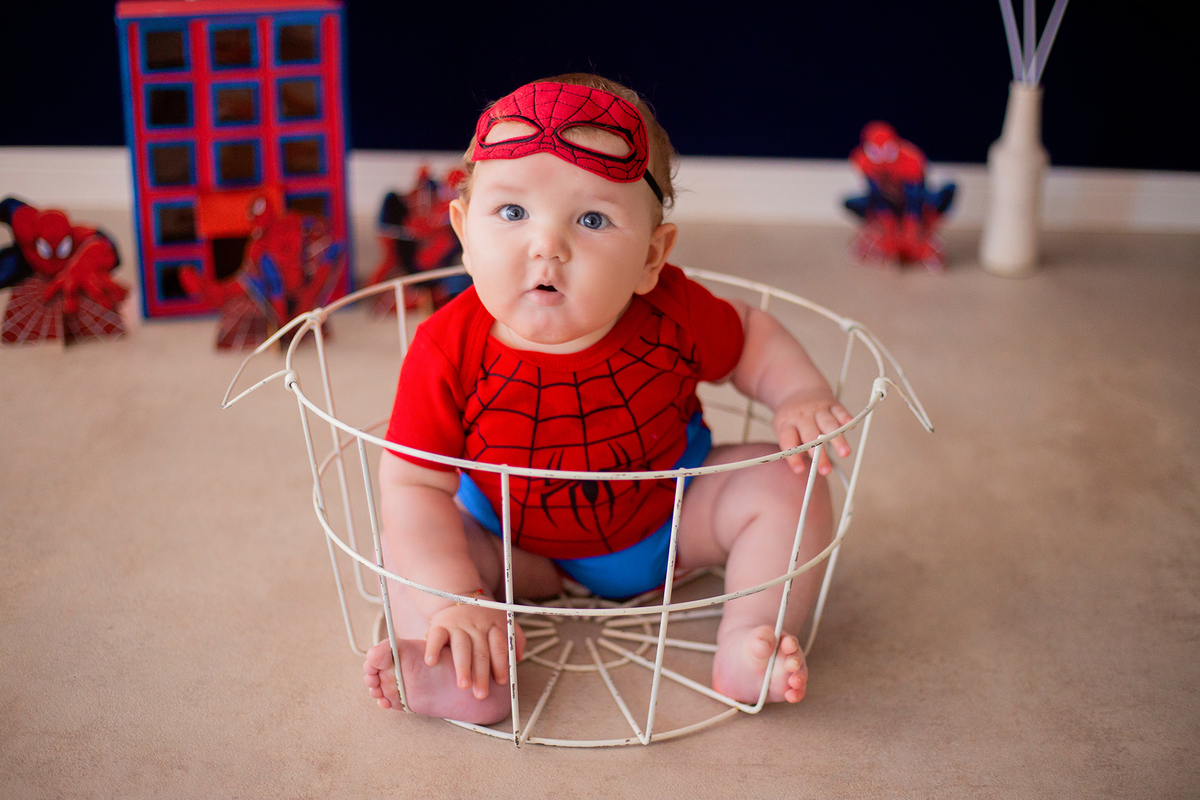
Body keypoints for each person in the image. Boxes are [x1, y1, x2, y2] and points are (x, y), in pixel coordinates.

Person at [363, 74, 854, 724]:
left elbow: (751, 336)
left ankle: (749, 638)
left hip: (668, 520)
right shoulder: (445, 344)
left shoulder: (672, 309)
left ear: (652, 256)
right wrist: (456, 596)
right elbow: (412, 483)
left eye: (592, 219)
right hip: (511, 548)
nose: (547, 245)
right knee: (411, 538)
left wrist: (798, 393)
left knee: (792, 484)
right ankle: (463, 662)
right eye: (511, 212)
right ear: (462, 232)